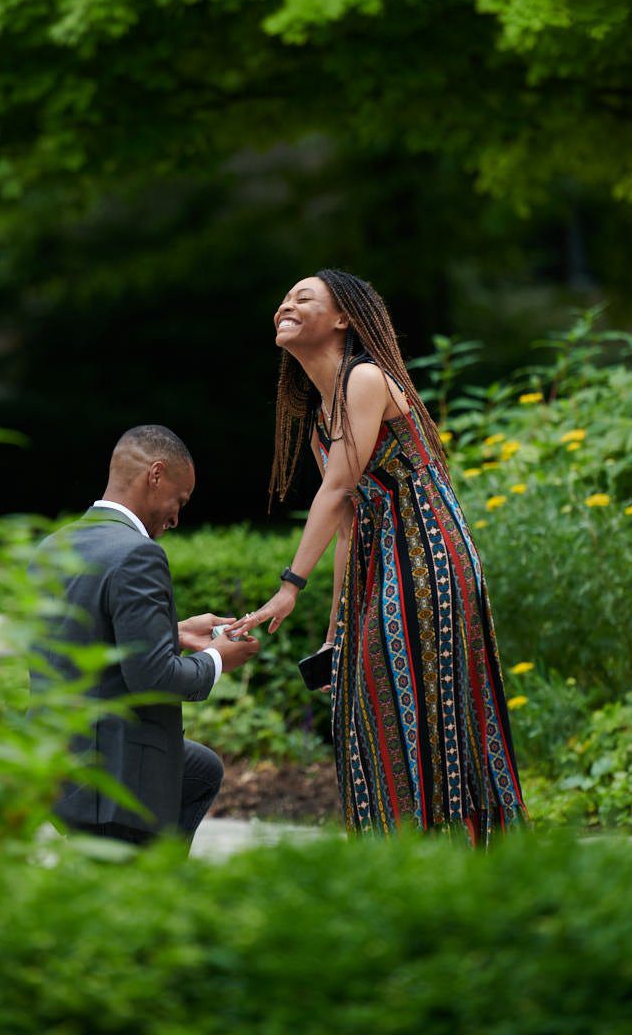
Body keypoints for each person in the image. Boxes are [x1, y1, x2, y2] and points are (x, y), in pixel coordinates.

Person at [230, 269, 527, 846]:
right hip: (380, 557)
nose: (284, 305)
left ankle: (457, 847)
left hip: (428, 553)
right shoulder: (323, 413)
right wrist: (335, 627)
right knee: (364, 693)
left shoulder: (363, 379)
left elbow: (337, 488)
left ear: (342, 319)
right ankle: (396, 852)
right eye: (284, 298)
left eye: (303, 298)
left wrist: (291, 585)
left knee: (420, 696)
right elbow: (345, 526)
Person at [32, 424, 259, 850]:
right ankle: (152, 883)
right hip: (112, 773)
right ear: (155, 475)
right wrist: (217, 659)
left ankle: (153, 872)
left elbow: (82, 639)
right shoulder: (139, 553)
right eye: (180, 500)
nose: (176, 517)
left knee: (200, 769)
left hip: (59, 759)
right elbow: (153, 677)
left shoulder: (54, 546)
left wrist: (170, 633)